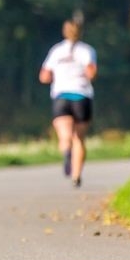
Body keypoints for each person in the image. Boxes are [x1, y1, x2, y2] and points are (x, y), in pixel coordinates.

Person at [39, 18, 97, 188]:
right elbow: (91, 73)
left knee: (65, 136)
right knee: (79, 138)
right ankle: (76, 176)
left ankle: (66, 152)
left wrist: (58, 75)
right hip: (81, 96)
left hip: (61, 96)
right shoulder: (87, 50)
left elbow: (44, 76)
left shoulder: (56, 51)